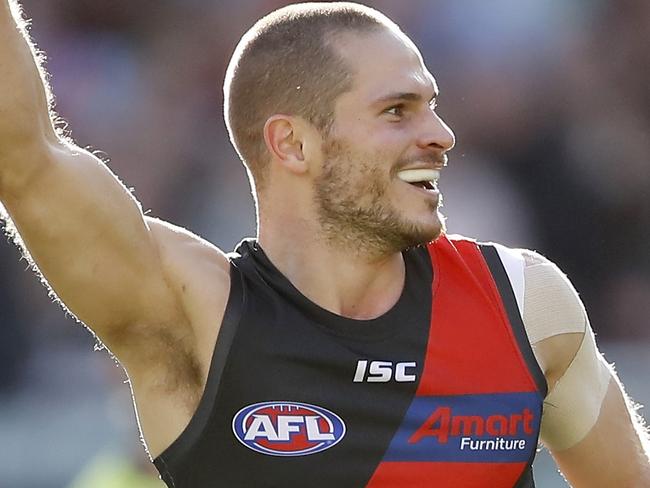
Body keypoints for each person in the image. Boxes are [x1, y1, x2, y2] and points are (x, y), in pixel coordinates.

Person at [1, 1, 648, 487]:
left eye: (432, 105)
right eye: (398, 111)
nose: (442, 133)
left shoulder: (526, 305)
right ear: (293, 144)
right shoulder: (196, 315)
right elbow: (25, 158)